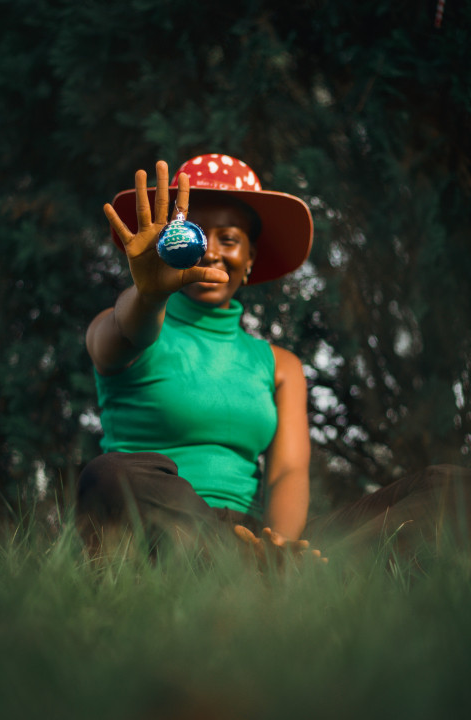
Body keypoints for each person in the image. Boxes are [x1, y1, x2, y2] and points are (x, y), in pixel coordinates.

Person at [78, 153, 471, 562]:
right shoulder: (130, 324)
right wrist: (149, 295)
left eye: (229, 239)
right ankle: (254, 570)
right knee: (108, 476)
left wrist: (278, 547)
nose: (211, 251)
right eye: (195, 233)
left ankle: (277, 573)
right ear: (170, 244)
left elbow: (287, 473)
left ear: (249, 260)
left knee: (452, 490)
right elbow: (126, 330)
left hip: (253, 537)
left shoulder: (280, 365)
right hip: (171, 524)